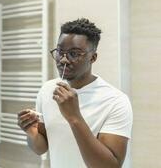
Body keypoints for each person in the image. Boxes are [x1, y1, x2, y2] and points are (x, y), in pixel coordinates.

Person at [17, 18, 133, 168]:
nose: (63, 60)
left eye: (74, 54)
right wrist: (31, 132)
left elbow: (110, 166)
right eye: (60, 51)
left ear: (93, 57)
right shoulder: (47, 90)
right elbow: (41, 147)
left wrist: (74, 117)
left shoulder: (116, 101)